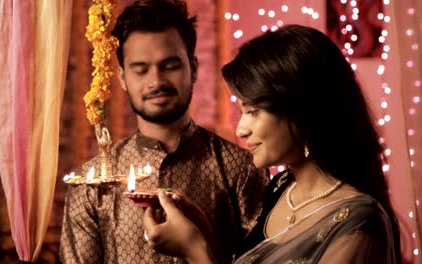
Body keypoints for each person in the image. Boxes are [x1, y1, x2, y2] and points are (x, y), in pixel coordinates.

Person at [143, 24, 402, 263]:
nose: (241, 130)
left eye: (253, 111)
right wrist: (204, 235)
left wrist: (195, 251)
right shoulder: (281, 188)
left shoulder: (358, 221)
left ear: (301, 112)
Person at [59, 0, 269, 263]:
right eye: (141, 69)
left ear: (193, 68)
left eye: (170, 66)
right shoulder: (89, 188)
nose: (156, 81)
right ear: (123, 78)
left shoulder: (240, 169)